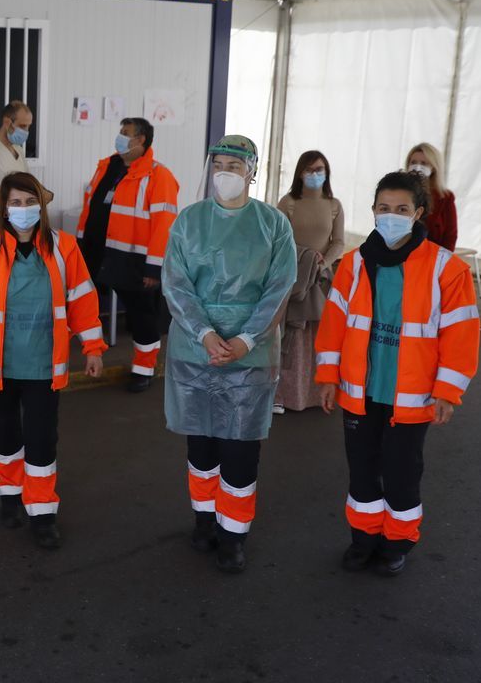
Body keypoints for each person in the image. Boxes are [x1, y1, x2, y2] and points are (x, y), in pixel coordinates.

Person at [315, 171, 479, 577]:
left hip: (413, 397)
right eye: (383, 208)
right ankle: (363, 539)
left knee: (403, 472)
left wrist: (447, 392)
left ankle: (397, 543)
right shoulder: (353, 264)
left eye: (401, 209)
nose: (391, 216)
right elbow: (333, 325)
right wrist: (327, 377)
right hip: (360, 393)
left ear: (418, 213)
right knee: (363, 470)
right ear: (372, 211)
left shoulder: (447, 269)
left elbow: (460, 336)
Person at [0, 172, 106, 550]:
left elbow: (81, 298)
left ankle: (42, 510)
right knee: (6, 436)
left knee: (43, 439)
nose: (23, 210)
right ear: (3, 208)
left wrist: (92, 346)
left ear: (41, 207)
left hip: (44, 365)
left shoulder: (63, 247)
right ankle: (10, 495)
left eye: (31, 202)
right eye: (15, 202)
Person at [161, 135, 296, 574]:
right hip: (193, 347)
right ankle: (204, 520)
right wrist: (202, 332)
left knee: (239, 447)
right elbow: (176, 284)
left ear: (251, 172)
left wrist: (247, 339)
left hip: (250, 355)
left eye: (234, 167)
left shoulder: (273, 225)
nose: (225, 173)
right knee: (201, 442)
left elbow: (279, 289)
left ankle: (233, 534)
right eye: (218, 164)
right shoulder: (188, 221)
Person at [77, 117, 180, 393]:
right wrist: (78, 246)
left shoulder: (159, 176)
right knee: (82, 304)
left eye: (126, 133)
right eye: (120, 132)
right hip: (97, 252)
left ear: (141, 140)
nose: (120, 137)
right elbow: (90, 207)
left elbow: (164, 227)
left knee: (142, 314)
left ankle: (143, 369)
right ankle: (84, 354)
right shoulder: (107, 167)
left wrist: (153, 269)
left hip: (134, 259)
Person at [274, 150, 345, 413]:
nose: (314, 174)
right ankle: (283, 395)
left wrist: (322, 263)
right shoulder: (288, 202)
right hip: (293, 278)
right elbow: (279, 240)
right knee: (291, 337)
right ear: (300, 173)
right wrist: (304, 258)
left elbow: (338, 242)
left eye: (319, 169)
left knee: (319, 337)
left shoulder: (334, 205)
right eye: (309, 169)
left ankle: (315, 395)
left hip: (322, 280)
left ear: (327, 173)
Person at [0, 101, 53, 235]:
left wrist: (44, 194)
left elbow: (29, 184)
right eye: (22, 126)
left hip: (15, 227)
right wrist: (28, 202)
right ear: (7, 122)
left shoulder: (18, 151)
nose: (26, 132)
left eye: (28, 127)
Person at [405, 143, 457, 250]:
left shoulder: (445, 197)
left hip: (432, 257)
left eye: (424, 163)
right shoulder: (399, 191)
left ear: (433, 167)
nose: (417, 167)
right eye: (413, 162)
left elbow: (450, 235)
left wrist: (442, 260)